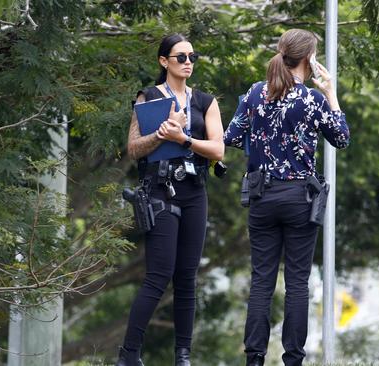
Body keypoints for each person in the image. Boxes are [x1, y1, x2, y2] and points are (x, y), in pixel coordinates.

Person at [223, 29, 350, 366]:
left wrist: (262, 146)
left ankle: (254, 358)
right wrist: (331, 93)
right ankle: (293, 359)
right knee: (297, 281)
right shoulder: (312, 99)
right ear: (309, 59)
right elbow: (341, 137)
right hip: (299, 198)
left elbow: (231, 136)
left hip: (262, 195)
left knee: (261, 280)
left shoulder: (255, 93)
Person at [117, 34, 224, 366]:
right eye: (180, 57)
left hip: (194, 191)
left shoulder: (205, 102)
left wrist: (184, 138)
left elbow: (218, 149)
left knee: (187, 275)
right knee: (159, 274)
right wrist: (162, 133)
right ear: (164, 62)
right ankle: (129, 354)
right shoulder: (148, 98)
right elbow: (134, 148)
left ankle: (183, 356)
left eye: (192, 56)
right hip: (159, 190)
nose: (188, 61)